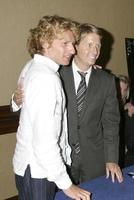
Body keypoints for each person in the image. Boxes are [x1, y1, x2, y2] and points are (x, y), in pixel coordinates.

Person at [13, 23, 123, 184]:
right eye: (90, 45)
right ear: (75, 45)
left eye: (98, 46)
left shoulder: (107, 80)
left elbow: (111, 123)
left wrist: (112, 159)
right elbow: (30, 114)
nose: (95, 51)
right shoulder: (54, 73)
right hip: (59, 158)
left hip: (94, 159)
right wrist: (16, 101)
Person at [11, 15, 90, 200]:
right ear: (45, 43)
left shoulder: (32, 66)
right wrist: (67, 185)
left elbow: (26, 105)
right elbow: (44, 141)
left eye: (73, 43)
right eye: (65, 43)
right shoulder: (46, 78)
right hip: (39, 170)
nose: (72, 49)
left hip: (33, 167)